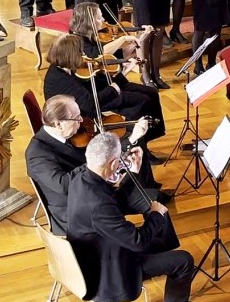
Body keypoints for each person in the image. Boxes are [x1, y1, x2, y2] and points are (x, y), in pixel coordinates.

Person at [67, 132, 196, 302]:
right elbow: (138, 242)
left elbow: (114, 201)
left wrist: (132, 173)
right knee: (184, 260)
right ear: (112, 163)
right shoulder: (99, 206)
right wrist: (156, 214)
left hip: (95, 253)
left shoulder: (80, 179)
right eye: (119, 159)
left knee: (161, 242)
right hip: (112, 269)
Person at [26, 95, 154, 236]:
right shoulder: (37, 153)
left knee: (153, 201)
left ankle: (162, 247)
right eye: (76, 118)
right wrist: (98, 162)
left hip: (97, 194)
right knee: (135, 228)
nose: (81, 121)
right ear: (58, 124)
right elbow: (64, 185)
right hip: (79, 212)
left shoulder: (70, 136)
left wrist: (129, 144)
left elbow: (101, 158)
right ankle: (144, 250)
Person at [68, 2, 166, 144]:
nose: (104, 21)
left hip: (110, 81)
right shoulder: (77, 40)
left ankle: (148, 136)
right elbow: (98, 56)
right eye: (99, 18)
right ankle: (136, 142)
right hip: (101, 90)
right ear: (88, 21)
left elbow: (118, 58)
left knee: (150, 92)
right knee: (141, 102)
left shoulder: (93, 36)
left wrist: (140, 39)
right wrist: (123, 39)